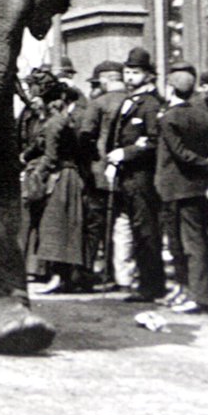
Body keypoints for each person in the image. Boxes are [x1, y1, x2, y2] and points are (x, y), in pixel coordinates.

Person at [105, 45, 165, 303]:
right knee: (136, 229)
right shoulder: (130, 102)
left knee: (146, 230)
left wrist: (125, 154)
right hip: (128, 176)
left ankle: (151, 285)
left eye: (136, 72)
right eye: (127, 71)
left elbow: (153, 141)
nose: (130, 76)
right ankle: (143, 281)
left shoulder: (150, 105)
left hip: (143, 176)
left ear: (148, 75)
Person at [155, 63, 208, 314]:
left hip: (177, 186)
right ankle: (195, 292)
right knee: (196, 242)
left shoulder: (169, 118)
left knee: (188, 244)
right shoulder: (203, 115)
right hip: (197, 186)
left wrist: (205, 163)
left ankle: (199, 296)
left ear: (171, 88)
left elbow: (180, 153)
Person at [33, 84, 89, 294]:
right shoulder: (66, 121)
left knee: (55, 225)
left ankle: (58, 277)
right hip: (71, 176)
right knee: (65, 226)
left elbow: (50, 156)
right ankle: (66, 277)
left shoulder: (54, 123)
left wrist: (38, 173)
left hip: (61, 178)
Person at [78, 60, 130, 287]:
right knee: (122, 224)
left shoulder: (98, 103)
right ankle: (117, 273)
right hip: (128, 172)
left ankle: (88, 271)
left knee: (95, 224)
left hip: (99, 172)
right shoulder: (132, 100)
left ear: (106, 80)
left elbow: (86, 136)